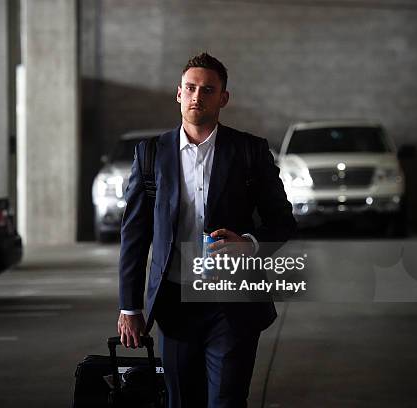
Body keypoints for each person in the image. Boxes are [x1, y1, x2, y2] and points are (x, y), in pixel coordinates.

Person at [116, 52, 296, 408]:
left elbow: (283, 220)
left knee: (226, 401)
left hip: (232, 303)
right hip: (175, 303)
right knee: (181, 401)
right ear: (179, 93)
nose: (198, 96)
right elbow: (135, 236)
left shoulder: (250, 152)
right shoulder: (151, 154)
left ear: (223, 98)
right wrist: (130, 307)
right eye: (191, 88)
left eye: (208, 90)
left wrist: (250, 243)